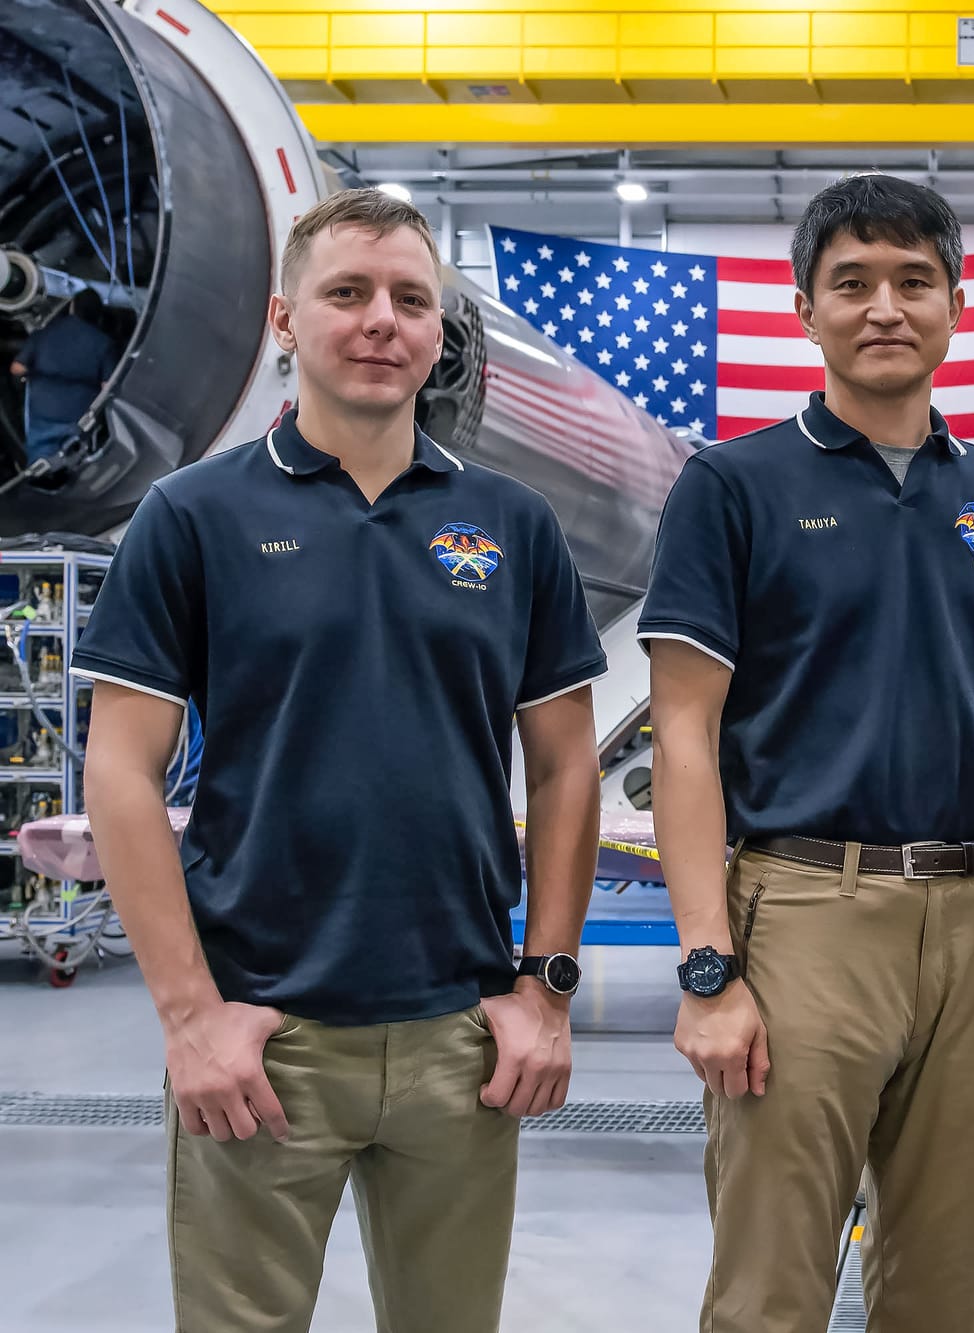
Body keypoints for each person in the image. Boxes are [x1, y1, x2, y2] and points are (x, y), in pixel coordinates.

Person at [74, 187, 607, 1333]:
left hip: (461, 1035)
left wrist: (544, 992)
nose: (382, 321)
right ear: (285, 317)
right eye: (349, 293)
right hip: (263, 1040)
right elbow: (120, 771)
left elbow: (566, 770)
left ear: (438, 332)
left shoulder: (513, 527)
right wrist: (187, 1017)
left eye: (412, 300)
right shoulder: (191, 517)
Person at [640, 173, 974, 1333]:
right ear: (804, 306)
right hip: (803, 917)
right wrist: (707, 968)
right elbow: (682, 735)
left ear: (953, 304)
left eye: (912, 281)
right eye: (852, 282)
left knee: (940, 1288)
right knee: (771, 1286)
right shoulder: (731, 487)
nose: (883, 305)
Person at [9, 288, 119, 468]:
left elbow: (17, 368)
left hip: (43, 412)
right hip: (79, 415)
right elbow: (108, 386)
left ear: (72, 307)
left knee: (40, 467)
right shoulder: (104, 343)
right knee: (78, 467)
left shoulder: (45, 333)